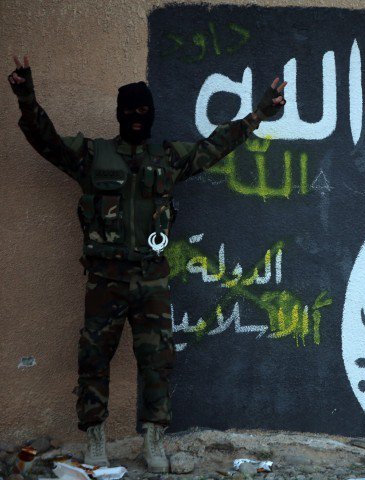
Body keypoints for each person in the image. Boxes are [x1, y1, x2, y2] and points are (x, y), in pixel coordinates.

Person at [8, 54, 286, 473]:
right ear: (119, 114)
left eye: (144, 112)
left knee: (157, 360)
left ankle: (154, 440)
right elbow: (45, 140)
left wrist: (257, 116)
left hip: (151, 280)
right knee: (94, 359)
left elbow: (216, 145)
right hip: (104, 280)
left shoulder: (168, 158)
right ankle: (95, 438)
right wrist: (26, 97)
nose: (137, 118)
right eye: (130, 112)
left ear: (152, 115)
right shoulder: (92, 156)